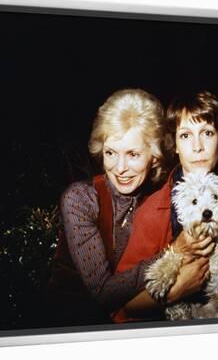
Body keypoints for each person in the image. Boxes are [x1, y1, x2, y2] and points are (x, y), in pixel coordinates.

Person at [114, 90, 218, 321]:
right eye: (185, 136)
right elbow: (123, 306)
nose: (197, 147)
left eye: (207, 133)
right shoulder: (151, 211)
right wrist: (175, 290)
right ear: (173, 145)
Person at [46, 88, 170, 326]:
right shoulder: (81, 198)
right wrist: (172, 258)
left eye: (133, 154)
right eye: (111, 153)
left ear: (154, 156)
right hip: (68, 329)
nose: (119, 168)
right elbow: (102, 293)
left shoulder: (157, 199)